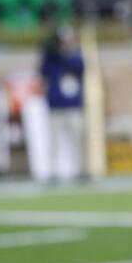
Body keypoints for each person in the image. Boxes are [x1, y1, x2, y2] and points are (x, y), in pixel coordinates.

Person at [39, 25, 85, 182]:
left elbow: (80, 67)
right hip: (56, 106)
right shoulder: (51, 59)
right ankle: (53, 172)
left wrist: (64, 54)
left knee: (77, 139)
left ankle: (80, 170)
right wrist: (51, 53)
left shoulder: (75, 55)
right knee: (54, 141)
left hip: (73, 106)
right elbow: (44, 71)